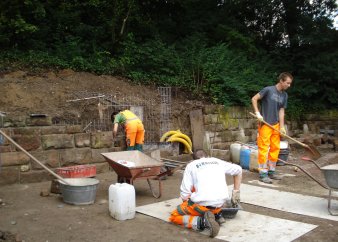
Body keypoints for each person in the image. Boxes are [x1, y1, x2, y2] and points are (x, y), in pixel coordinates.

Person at [169, 150, 242, 238]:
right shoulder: (217, 161)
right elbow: (238, 170)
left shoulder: (191, 165)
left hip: (202, 206)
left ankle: (201, 222)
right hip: (220, 205)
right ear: (207, 156)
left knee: (174, 216)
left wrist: (188, 204)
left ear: (194, 159)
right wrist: (235, 193)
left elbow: (184, 193)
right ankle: (216, 215)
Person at [251, 72, 293, 184]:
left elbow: (281, 110)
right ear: (281, 81)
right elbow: (254, 99)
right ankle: (263, 173)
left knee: (275, 148)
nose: (289, 85)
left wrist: (282, 127)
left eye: (290, 83)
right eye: (288, 83)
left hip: (276, 125)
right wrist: (257, 113)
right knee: (264, 149)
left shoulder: (284, 95)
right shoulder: (268, 90)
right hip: (265, 124)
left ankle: (271, 171)